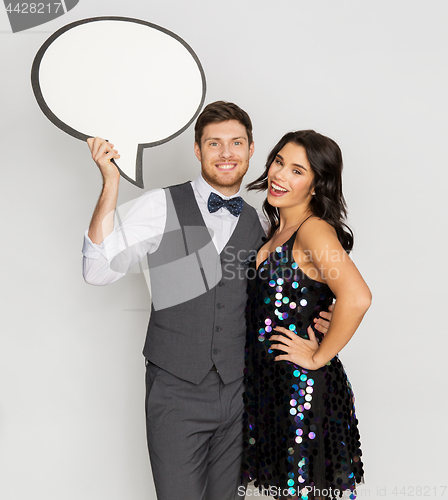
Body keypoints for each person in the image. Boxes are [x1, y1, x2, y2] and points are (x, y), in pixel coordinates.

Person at [82, 102, 333, 500]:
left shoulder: (267, 224)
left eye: (236, 143)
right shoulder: (159, 204)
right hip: (175, 388)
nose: (227, 153)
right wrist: (110, 183)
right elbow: (97, 271)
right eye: (214, 143)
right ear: (198, 150)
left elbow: (290, 295)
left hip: (241, 391)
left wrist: (323, 321)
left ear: (252, 150)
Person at [240, 130, 371, 500]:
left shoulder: (312, 230)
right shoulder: (277, 232)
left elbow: (357, 296)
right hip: (272, 390)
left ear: (317, 185)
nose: (280, 175)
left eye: (297, 171)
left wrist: (318, 355)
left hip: (303, 391)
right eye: (279, 162)